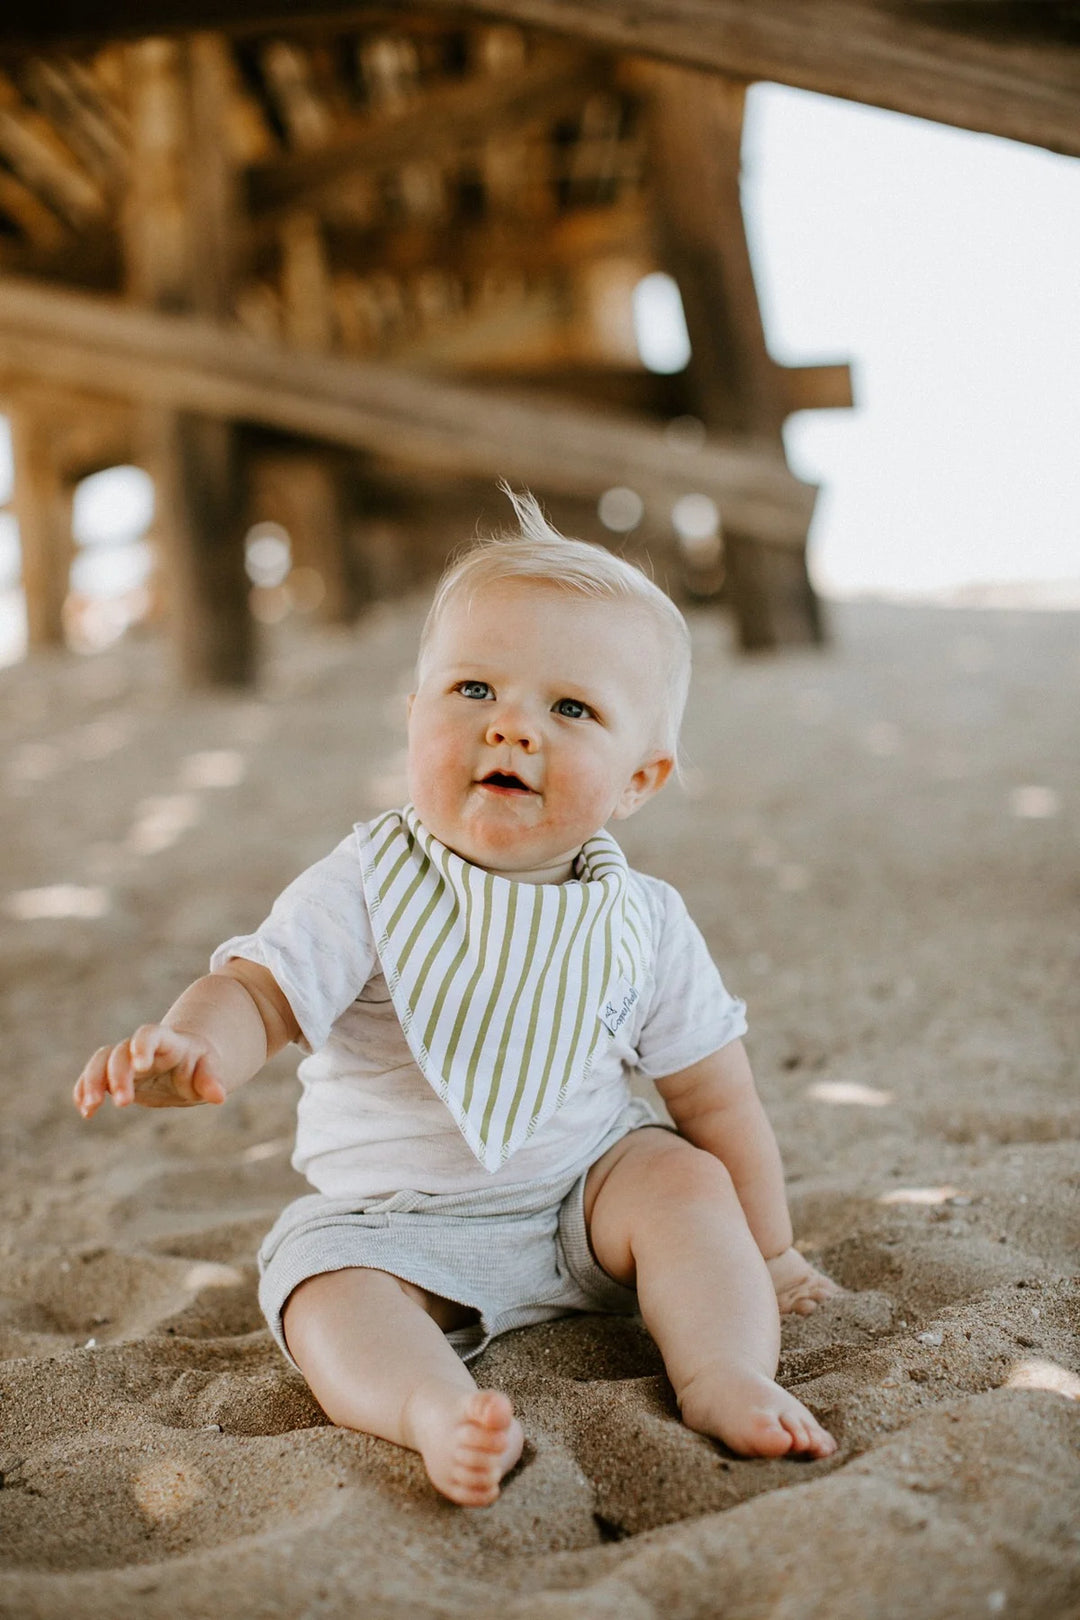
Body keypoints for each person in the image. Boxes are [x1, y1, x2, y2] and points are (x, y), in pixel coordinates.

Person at [75, 490, 839, 1509]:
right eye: (474, 690)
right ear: (414, 719)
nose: (512, 728)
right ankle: (432, 1408)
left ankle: (722, 1371)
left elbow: (716, 1098)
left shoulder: (642, 920)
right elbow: (257, 992)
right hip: (395, 1224)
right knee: (318, 1285)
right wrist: (192, 1048)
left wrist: (774, 1252)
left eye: (571, 709)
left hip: (585, 1198)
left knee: (686, 1179)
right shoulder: (367, 881)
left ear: (639, 780)